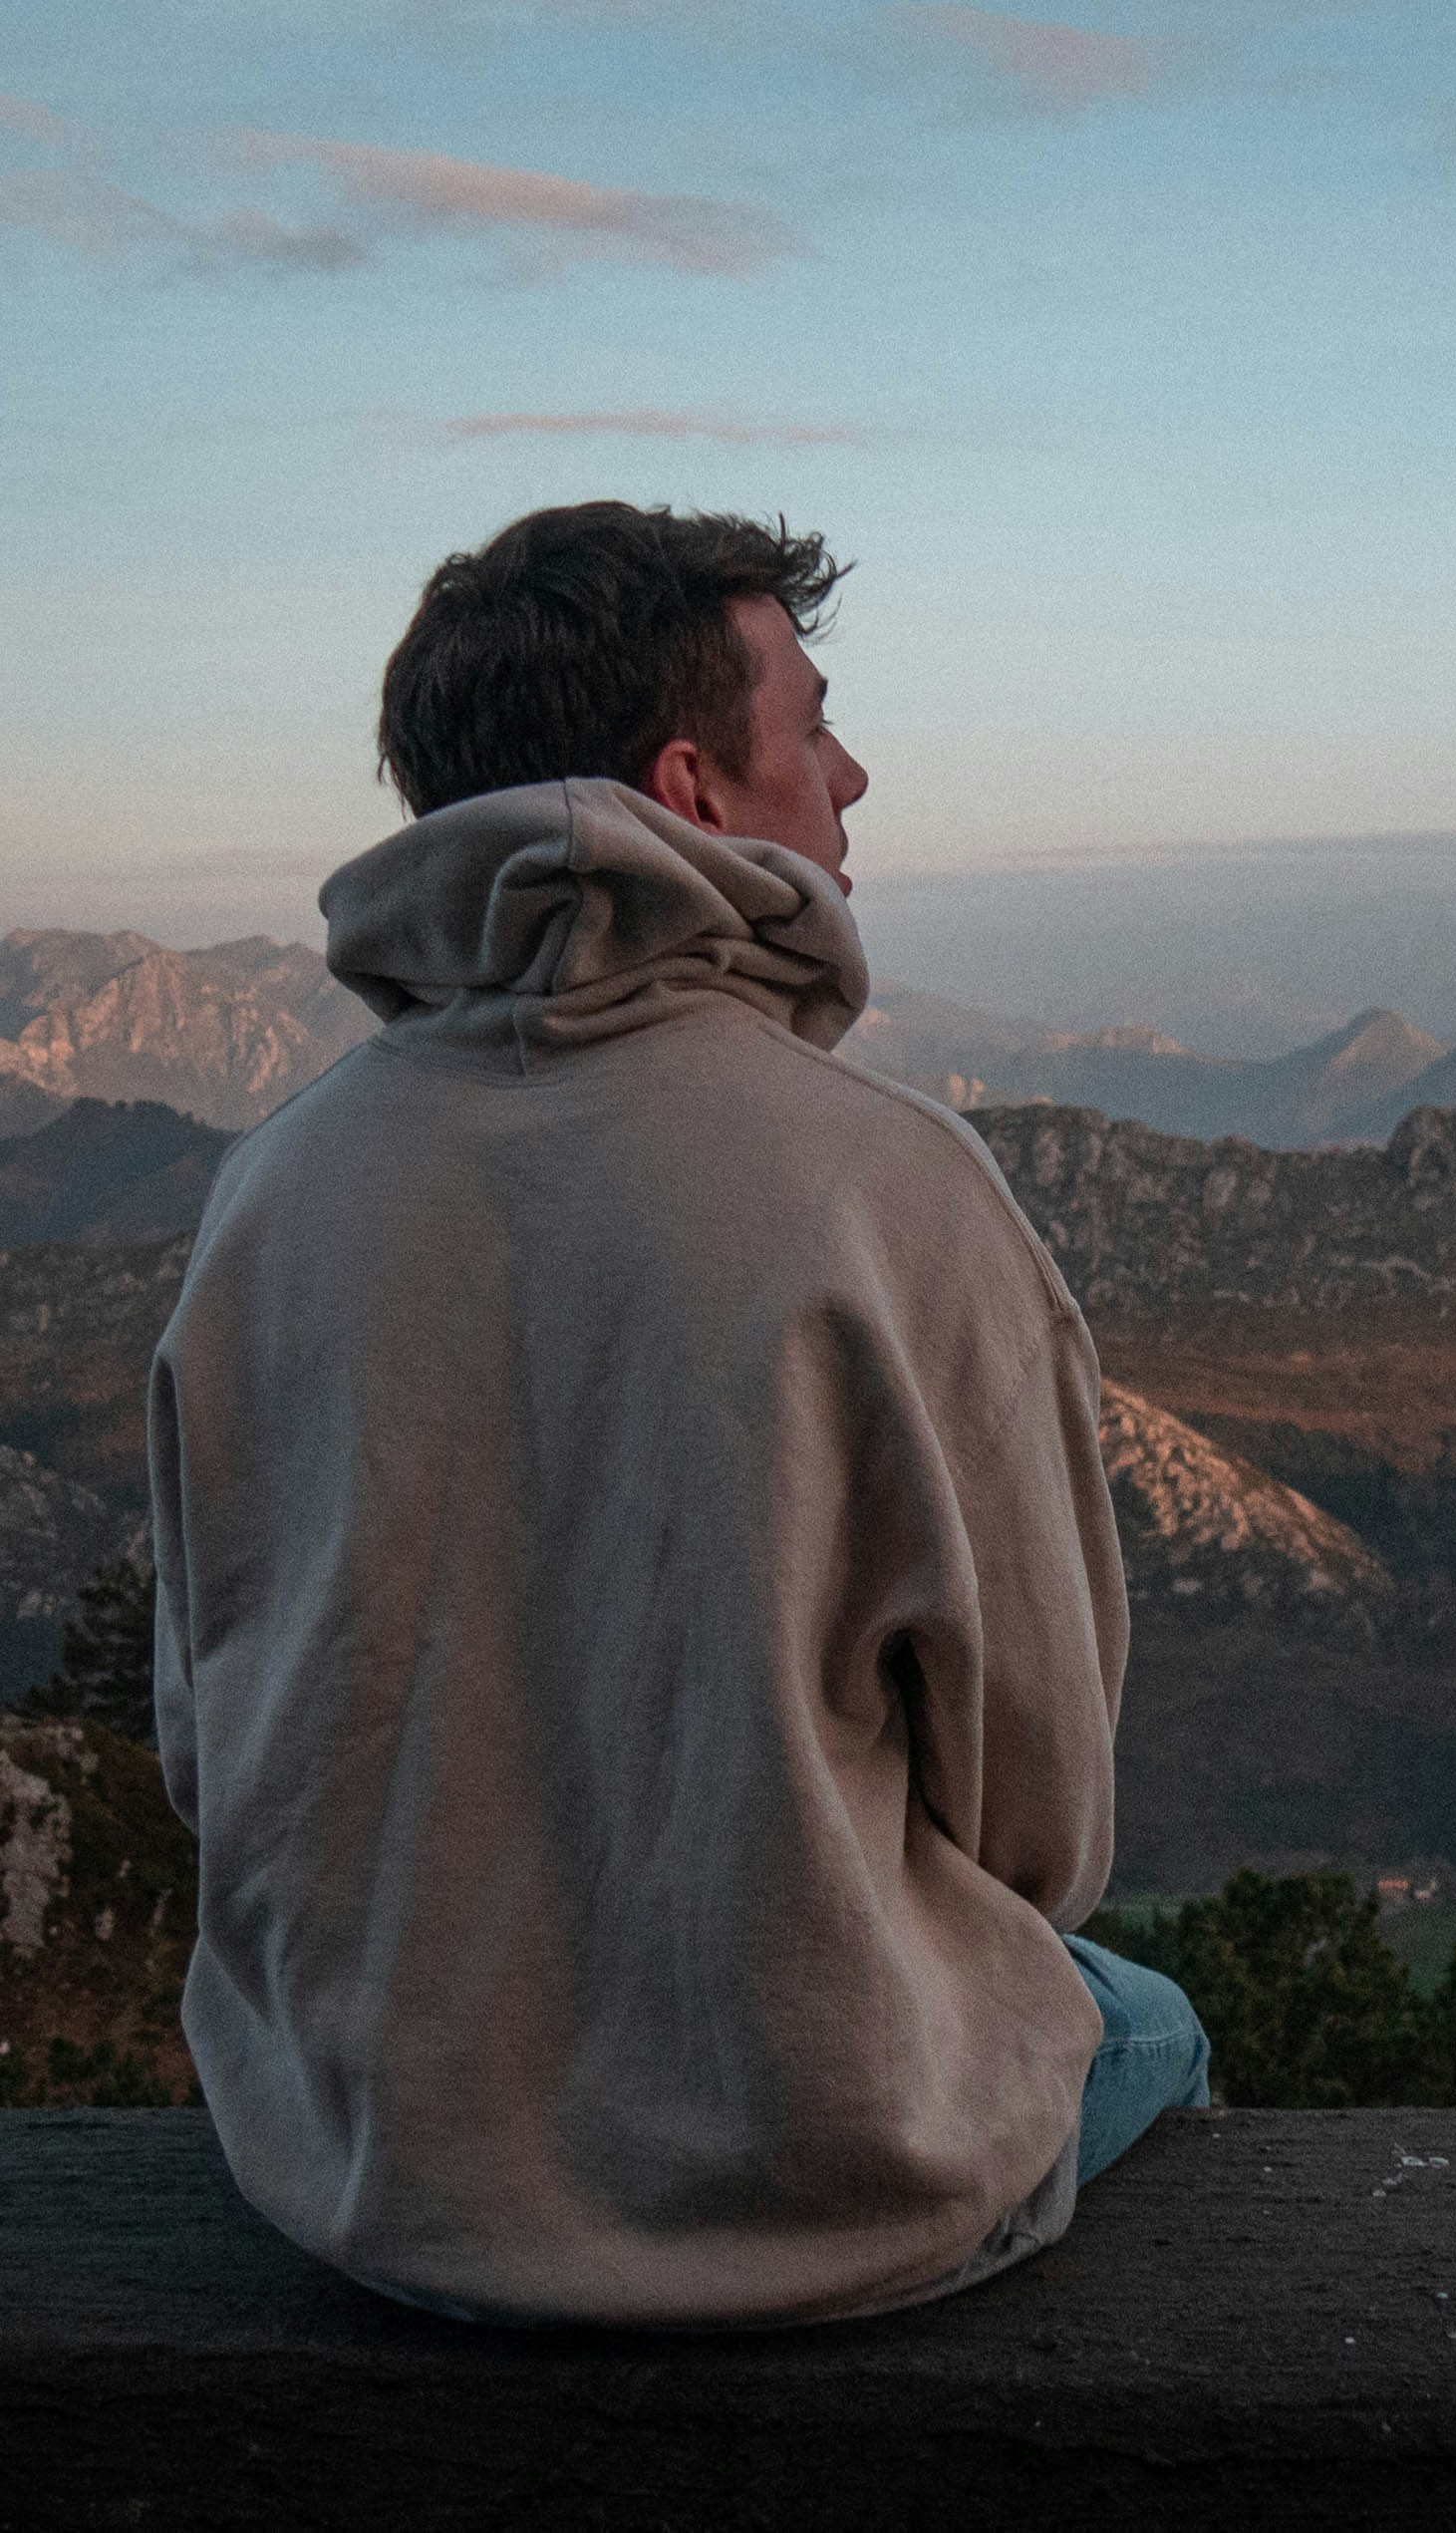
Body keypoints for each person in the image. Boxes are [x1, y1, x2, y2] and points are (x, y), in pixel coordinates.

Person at [146, 501, 1208, 2329]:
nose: (854, 771)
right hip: (805, 2176)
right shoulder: (893, 1190)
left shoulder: (271, 1194)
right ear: (696, 791)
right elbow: (1040, 1829)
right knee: (1152, 2019)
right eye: (811, 721)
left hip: (362, 2168)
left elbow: (206, 1745)